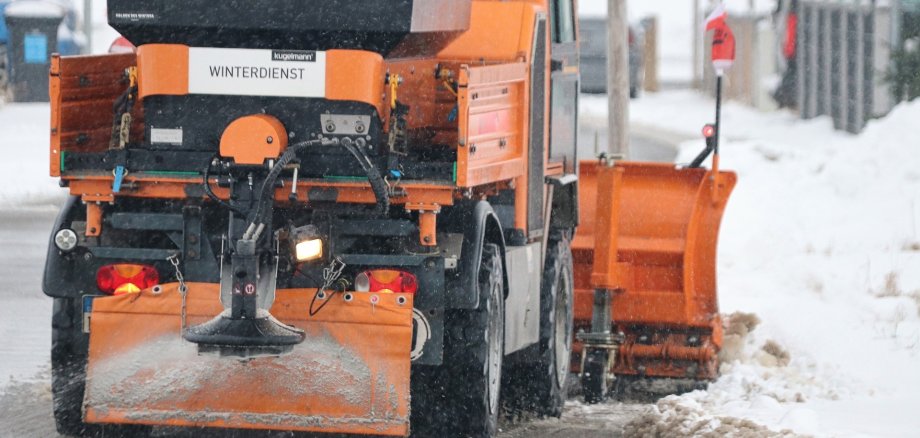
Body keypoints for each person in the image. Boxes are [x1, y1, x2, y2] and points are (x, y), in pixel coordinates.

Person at [773, 0, 798, 109]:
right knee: (791, 71)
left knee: (790, 71)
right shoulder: (794, 11)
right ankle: (785, 97)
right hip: (792, 47)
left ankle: (784, 96)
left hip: (791, 47)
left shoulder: (793, 10)